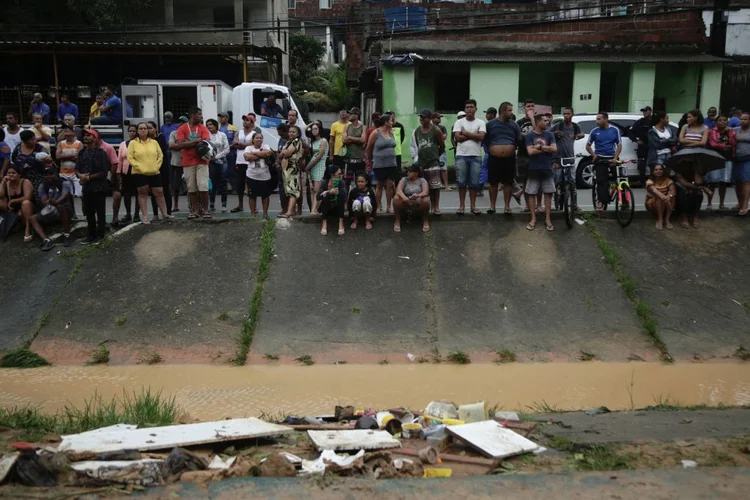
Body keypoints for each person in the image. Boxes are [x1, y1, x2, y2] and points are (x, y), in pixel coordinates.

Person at [128, 123, 171, 225]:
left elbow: (160, 156)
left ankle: (164, 213)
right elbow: (130, 158)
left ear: (148, 130)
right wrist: (140, 167)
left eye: (145, 128)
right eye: (141, 128)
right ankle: (145, 216)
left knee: (159, 192)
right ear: (138, 131)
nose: (143, 130)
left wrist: (156, 166)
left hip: (154, 171)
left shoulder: (154, 142)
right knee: (143, 194)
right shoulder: (133, 143)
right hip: (139, 172)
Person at [484, 102, 522, 215]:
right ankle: (492, 206)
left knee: (508, 183)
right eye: (509, 110)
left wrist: (510, 148)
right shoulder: (490, 124)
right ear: (502, 111)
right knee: (493, 183)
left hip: (509, 158)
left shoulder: (514, 125)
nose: (511, 113)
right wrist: (491, 148)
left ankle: (507, 206)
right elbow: (485, 139)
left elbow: (518, 140)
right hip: (494, 158)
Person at [176, 106, 211, 219]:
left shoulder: (203, 128)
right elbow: (180, 144)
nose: (201, 116)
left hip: (202, 161)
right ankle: (195, 211)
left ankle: (206, 210)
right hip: (187, 162)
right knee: (191, 188)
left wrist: (188, 142)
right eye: (199, 114)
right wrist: (197, 140)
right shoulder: (182, 128)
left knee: (203, 186)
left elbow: (205, 142)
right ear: (193, 115)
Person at [453, 99, 486, 216]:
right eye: (467, 107)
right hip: (461, 155)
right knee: (461, 182)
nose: (469, 109)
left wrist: (465, 133)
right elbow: (458, 138)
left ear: (475, 109)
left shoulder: (481, 122)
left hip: (476, 156)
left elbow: (481, 137)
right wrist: (474, 135)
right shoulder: (459, 122)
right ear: (465, 109)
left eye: (472, 107)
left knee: (474, 183)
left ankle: (473, 206)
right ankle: (461, 206)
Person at [524, 114, 557, 231]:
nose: (547, 122)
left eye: (548, 120)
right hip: (533, 168)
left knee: (548, 194)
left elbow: (554, 149)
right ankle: (533, 218)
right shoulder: (529, 136)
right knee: (531, 193)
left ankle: (548, 219)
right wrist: (546, 148)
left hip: (547, 168)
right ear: (537, 122)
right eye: (544, 121)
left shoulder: (550, 134)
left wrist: (539, 147)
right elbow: (530, 152)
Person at [76, 129, 109, 243]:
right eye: (85, 135)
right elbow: (77, 170)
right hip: (87, 188)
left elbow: (104, 172)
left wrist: (89, 177)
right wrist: (80, 176)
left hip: (99, 187)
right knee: (89, 212)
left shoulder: (101, 153)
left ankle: (101, 236)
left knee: (100, 212)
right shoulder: (81, 153)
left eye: (89, 135)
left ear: (95, 138)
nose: (86, 137)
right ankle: (91, 235)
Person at [410, 108, 445, 215]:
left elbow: (442, 146)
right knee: (424, 188)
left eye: (424, 117)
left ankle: (436, 207)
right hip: (421, 163)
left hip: (433, 162)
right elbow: (416, 145)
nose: (421, 119)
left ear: (429, 118)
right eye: (420, 117)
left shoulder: (436, 130)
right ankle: (426, 208)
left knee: (435, 187)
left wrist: (435, 156)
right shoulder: (416, 131)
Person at [30, 166, 74, 250]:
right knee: (32, 218)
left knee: (61, 207)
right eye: (46, 174)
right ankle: (46, 240)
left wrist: (56, 202)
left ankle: (67, 235)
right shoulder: (42, 186)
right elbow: (44, 201)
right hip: (50, 210)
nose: (48, 176)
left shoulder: (64, 183)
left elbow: (64, 196)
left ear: (56, 174)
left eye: (51, 174)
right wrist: (49, 202)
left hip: (66, 211)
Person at [586, 112, 622, 211]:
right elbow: (588, 146)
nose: (597, 121)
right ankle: (601, 201)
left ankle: (624, 201)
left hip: (612, 157)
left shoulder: (614, 130)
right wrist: (594, 155)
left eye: (599, 119)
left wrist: (615, 157)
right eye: (596, 119)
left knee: (619, 179)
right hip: (600, 158)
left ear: (606, 119)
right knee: (601, 181)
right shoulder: (594, 131)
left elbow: (619, 145)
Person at [366, 114, 399, 214]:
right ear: (385, 122)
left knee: (390, 185)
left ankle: (389, 206)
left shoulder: (391, 132)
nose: (392, 122)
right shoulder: (376, 133)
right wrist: (369, 160)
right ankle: (378, 205)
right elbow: (369, 148)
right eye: (390, 121)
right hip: (379, 163)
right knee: (379, 185)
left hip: (391, 163)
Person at [230, 113, 261, 213]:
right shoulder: (238, 132)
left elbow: (252, 145)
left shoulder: (254, 134)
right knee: (240, 184)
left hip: (249, 162)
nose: (245, 122)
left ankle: (254, 207)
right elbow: (235, 144)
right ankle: (240, 205)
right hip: (239, 161)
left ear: (252, 122)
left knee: (251, 184)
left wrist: (241, 144)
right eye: (244, 120)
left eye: (247, 120)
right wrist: (245, 145)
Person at [706, 115, 736, 210]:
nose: (723, 122)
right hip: (715, 158)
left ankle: (721, 204)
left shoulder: (730, 131)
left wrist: (730, 133)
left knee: (723, 182)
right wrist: (723, 146)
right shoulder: (711, 131)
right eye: (720, 120)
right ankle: (709, 203)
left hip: (727, 158)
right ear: (716, 122)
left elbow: (733, 143)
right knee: (712, 182)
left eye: (724, 120)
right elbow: (713, 144)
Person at [0, 165, 35, 242]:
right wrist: (2, 182)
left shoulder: (25, 182)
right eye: (9, 173)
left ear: (19, 174)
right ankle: (6, 224)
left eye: (13, 173)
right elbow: (1, 194)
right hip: (13, 211)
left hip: (27, 209)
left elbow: (27, 197)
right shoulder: (7, 183)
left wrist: (12, 201)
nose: (11, 175)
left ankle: (28, 229)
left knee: (26, 203)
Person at [243, 132, 274, 219]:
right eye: (257, 138)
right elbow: (247, 158)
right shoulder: (248, 148)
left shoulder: (266, 146)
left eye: (260, 138)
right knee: (252, 196)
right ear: (253, 140)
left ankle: (265, 214)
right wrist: (261, 154)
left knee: (265, 196)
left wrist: (254, 153)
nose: (259, 139)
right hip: (252, 175)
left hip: (265, 176)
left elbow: (268, 154)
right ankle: (253, 214)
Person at [55, 126, 83, 217]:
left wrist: (64, 155)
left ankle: (86, 211)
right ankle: (73, 214)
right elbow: (57, 156)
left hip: (76, 174)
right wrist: (72, 155)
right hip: (63, 173)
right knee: (68, 196)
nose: (66, 132)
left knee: (81, 194)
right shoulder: (60, 143)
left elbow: (78, 157)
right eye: (65, 131)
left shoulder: (79, 144)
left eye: (68, 131)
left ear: (73, 133)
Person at [147, 121, 172, 219]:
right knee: (154, 192)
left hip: (163, 168)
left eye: (150, 128)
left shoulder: (160, 138)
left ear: (155, 128)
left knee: (165, 191)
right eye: (146, 128)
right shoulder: (146, 140)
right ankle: (155, 214)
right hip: (151, 169)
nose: (148, 130)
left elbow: (160, 152)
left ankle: (168, 213)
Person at [394, 164, 430, 233]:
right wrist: (405, 198)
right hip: (405, 199)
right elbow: (398, 190)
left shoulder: (422, 180)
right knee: (396, 197)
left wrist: (418, 195)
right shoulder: (404, 179)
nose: (408, 173)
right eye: (408, 171)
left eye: (410, 172)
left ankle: (425, 220)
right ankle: (397, 220)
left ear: (416, 173)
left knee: (426, 199)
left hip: (418, 200)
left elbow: (425, 192)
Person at [11, 130, 45, 202]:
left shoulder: (40, 148)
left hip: (37, 178)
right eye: (31, 140)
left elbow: (46, 160)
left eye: (34, 138)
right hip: (22, 179)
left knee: (38, 198)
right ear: (25, 141)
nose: (34, 141)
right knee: (25, 199)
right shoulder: (18, 148)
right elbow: (13, 159)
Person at [114, 124, 138, 225]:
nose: (132, 133)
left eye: (133, 131)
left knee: (138, 194)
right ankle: (128, 214)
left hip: (137, 171)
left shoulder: (139, 143)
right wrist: (118, 173)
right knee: (127, 194)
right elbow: (119, 159)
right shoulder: (123, 144)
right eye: (130, 131)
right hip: (126, 172)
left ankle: (136, 215)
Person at [278, 125, 303, 218]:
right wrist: (283, 152)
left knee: (293, 190)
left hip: (292, 169)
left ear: (298, 134)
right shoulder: (289, 142)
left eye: (293, 132)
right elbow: (280, 155)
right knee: (288, 190)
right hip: (286, 170)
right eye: (290, 132)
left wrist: (284, 152)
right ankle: (291, 210)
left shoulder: (297, 141)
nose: (291, 133)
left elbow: (287, 153)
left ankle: (290, 211)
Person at [206, 118, 230, 212]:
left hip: (222, 161)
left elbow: (227, 149)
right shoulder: (206, 136)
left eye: (211, 124)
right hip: (211, 162)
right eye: (207, 125)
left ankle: (224, 205)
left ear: (216, 125)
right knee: (212, 183)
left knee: (223, 183)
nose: (209, 126)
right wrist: (210, 158)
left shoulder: (222, 135)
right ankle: (211, 204)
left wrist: (216, 157)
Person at [517, 99, 536, 210]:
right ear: (524, 108)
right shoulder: (519, 122)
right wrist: (528, 135)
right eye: (528, 106)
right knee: (525, 180)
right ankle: (527, 205)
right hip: (523, 154)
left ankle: (536, 205)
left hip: (535, 155)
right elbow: (518, 135)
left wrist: (532, 118)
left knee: (534, 180)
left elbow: (536, 133)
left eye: (532, 106)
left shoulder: (537, 120)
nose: (530, 108)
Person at [318, 165, 347, 236]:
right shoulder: (325, 182)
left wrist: (338, 191)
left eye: (341, 174)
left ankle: (341, 223)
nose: (341, 175)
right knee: (325, 197)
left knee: (341, 198)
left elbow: (344, 196)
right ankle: (324, 223)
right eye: (339, 174)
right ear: (332, 174)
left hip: (337, 207)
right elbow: (318, 197)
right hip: (326, 207)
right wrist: (328, 192)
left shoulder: (341, 182)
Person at [168, 115, 188, 213]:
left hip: (188, 162)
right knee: (175, 186)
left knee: (191, 185)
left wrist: (179, 145)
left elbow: (192, 145)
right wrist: (184, 145)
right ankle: (175, 205)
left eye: (183, 122)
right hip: (176, 162)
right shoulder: (174, 133)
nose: (181, 124)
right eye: (179, 122)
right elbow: (171, 145)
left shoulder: (189, 134)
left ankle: (192, 205)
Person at [645, 164, 675, 230]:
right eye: (656, 170)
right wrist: (666, 198)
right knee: (659, 197)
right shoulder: (649, 181)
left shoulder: (668, 180)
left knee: (672, 197)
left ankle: (667, 219)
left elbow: (673, 191)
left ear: (663, 171)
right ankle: (660, 220)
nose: (658, 171)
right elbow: (656, 192)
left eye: (660, 169)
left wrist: (669, 196)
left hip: (665, 202)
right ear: (653, 172)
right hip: (651, 203)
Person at [307, 122, 328, 215]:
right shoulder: (313, 141)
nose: (314, 130)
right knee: (314, 189)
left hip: (319, 165)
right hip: (313, 166)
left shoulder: (323, 140)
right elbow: (304, 130)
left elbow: (319, 156)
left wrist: (308, 166)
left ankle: (314, 209)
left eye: (316, 128)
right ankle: (315, 208)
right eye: (312, 129)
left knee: (317, 189)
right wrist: (311, 123)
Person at [343, 107, 367, 188]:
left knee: (360, 182)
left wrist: (350, 137)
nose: (348, 115)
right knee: (347, 182)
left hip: (360, 159)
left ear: (356, 115)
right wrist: (357, 139)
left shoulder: (363, 127)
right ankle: (346, 200)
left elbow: (363, 140)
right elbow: (344, 140)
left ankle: (359, 199)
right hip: (349, 159)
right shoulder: (347, 127)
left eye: (351, 114)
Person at [629, 106, 652, 186]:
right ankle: (642, 181)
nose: (645, 112)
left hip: (653, 146)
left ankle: (654, 181)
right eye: (644, 111)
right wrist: (636, 140)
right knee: (642, 164)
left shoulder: (654, 121)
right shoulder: (639, 122)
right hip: (643, 146)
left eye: (646, 111)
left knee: (653, 164)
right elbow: (631, 132)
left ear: (650, 111)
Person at [733, 112, 750, 216]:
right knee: (738, 182)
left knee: (746, 182)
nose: (742, 121)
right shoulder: (735, 130)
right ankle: (739, 203)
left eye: (745, 119)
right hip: (737, 158)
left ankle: (745, 205)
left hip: (748, 158)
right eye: (741, 119)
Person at [478, 107, 497, 197]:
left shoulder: (488, 125)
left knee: (484, 170)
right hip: (495, 152)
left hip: (489, 152)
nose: (486, 115)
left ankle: (479, 188)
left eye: (488, 113)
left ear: (492, 114)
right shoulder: (497, 124)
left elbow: (483, 138)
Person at [431, 112, 450, 191]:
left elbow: (444, 137)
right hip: (432, 151)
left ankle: (446, 186)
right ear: (433, 119)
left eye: (439, 118)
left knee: (443, 168)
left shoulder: (442, 127)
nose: (439, 119)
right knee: (433, 168)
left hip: (441, 150)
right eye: (437, 118)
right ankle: (435, 185)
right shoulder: (430, 127)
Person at [386, 111, 406, 176]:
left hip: (397, 152)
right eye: (388, 115)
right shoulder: (386, 127)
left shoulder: (400, 126)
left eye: (391, 115)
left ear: (394, 115)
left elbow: (402, 137)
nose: (390, 116)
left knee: (397, 170)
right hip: (388, 152)